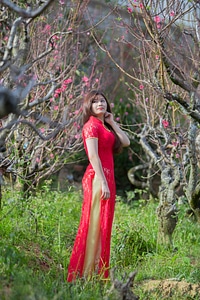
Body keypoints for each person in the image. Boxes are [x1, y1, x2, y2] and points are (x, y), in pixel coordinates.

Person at [67, 90, 130, 282]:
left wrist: (112, 122)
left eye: (103, 101)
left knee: (104, 225)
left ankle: (96, 273)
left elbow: (126, 142)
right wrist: (102, 181)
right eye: (95, 102)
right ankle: (85, 275)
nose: (100, 104)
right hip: (97, 178)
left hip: (106, 178)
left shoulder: (105, 126)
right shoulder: (90, 126)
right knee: (94, 223)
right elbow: (93, 156)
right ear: (89, 107)